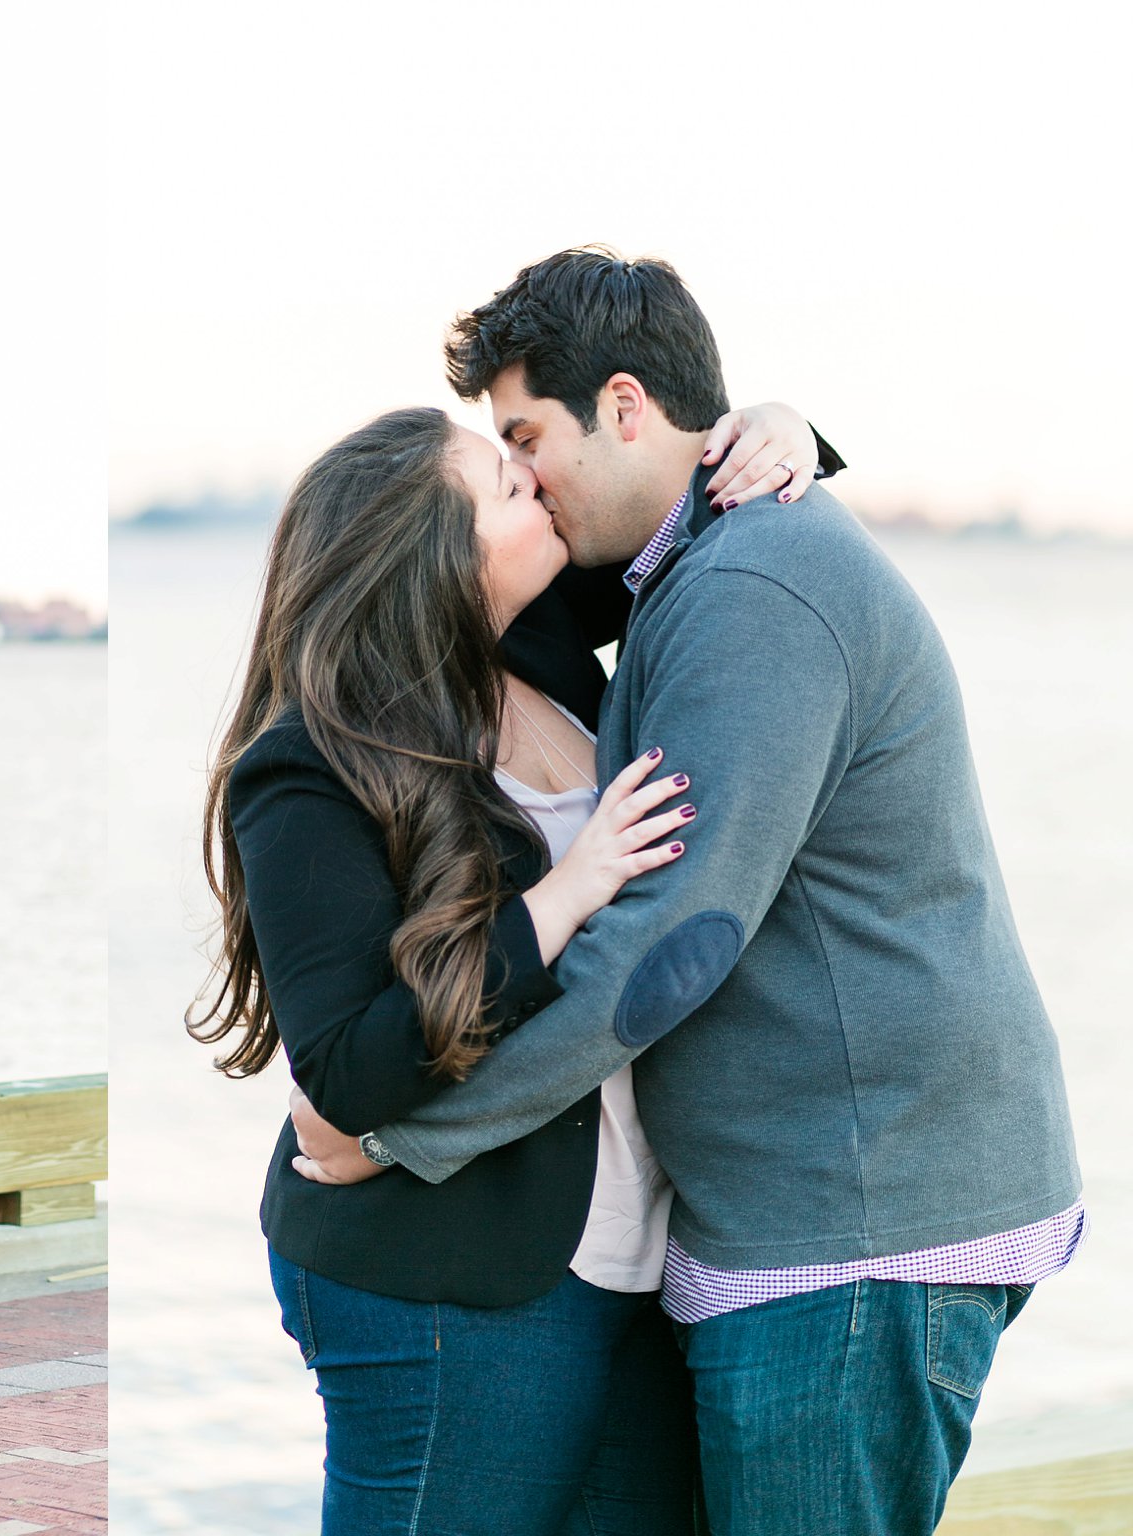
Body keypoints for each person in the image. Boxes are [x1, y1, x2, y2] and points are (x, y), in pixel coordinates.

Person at [290, 249, 1084, 1536]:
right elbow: (451, 585)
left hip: (855, 1229)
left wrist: (401, 1134)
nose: (523, 474)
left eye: (525, 437)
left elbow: (669, 940)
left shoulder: (752, 588)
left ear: (619, 406)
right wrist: (782, 427)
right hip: (795, 1216)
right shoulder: (683, 561)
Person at [192, 392, 832, 1531]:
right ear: (431, 556)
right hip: (444, 1272)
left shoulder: (538, 646)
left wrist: (782, 432)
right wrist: (567, 888)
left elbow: (666, 513)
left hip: (636, 1251)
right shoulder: (306, 765)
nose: (534, 484)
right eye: (502, 482)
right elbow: (343, 1068)